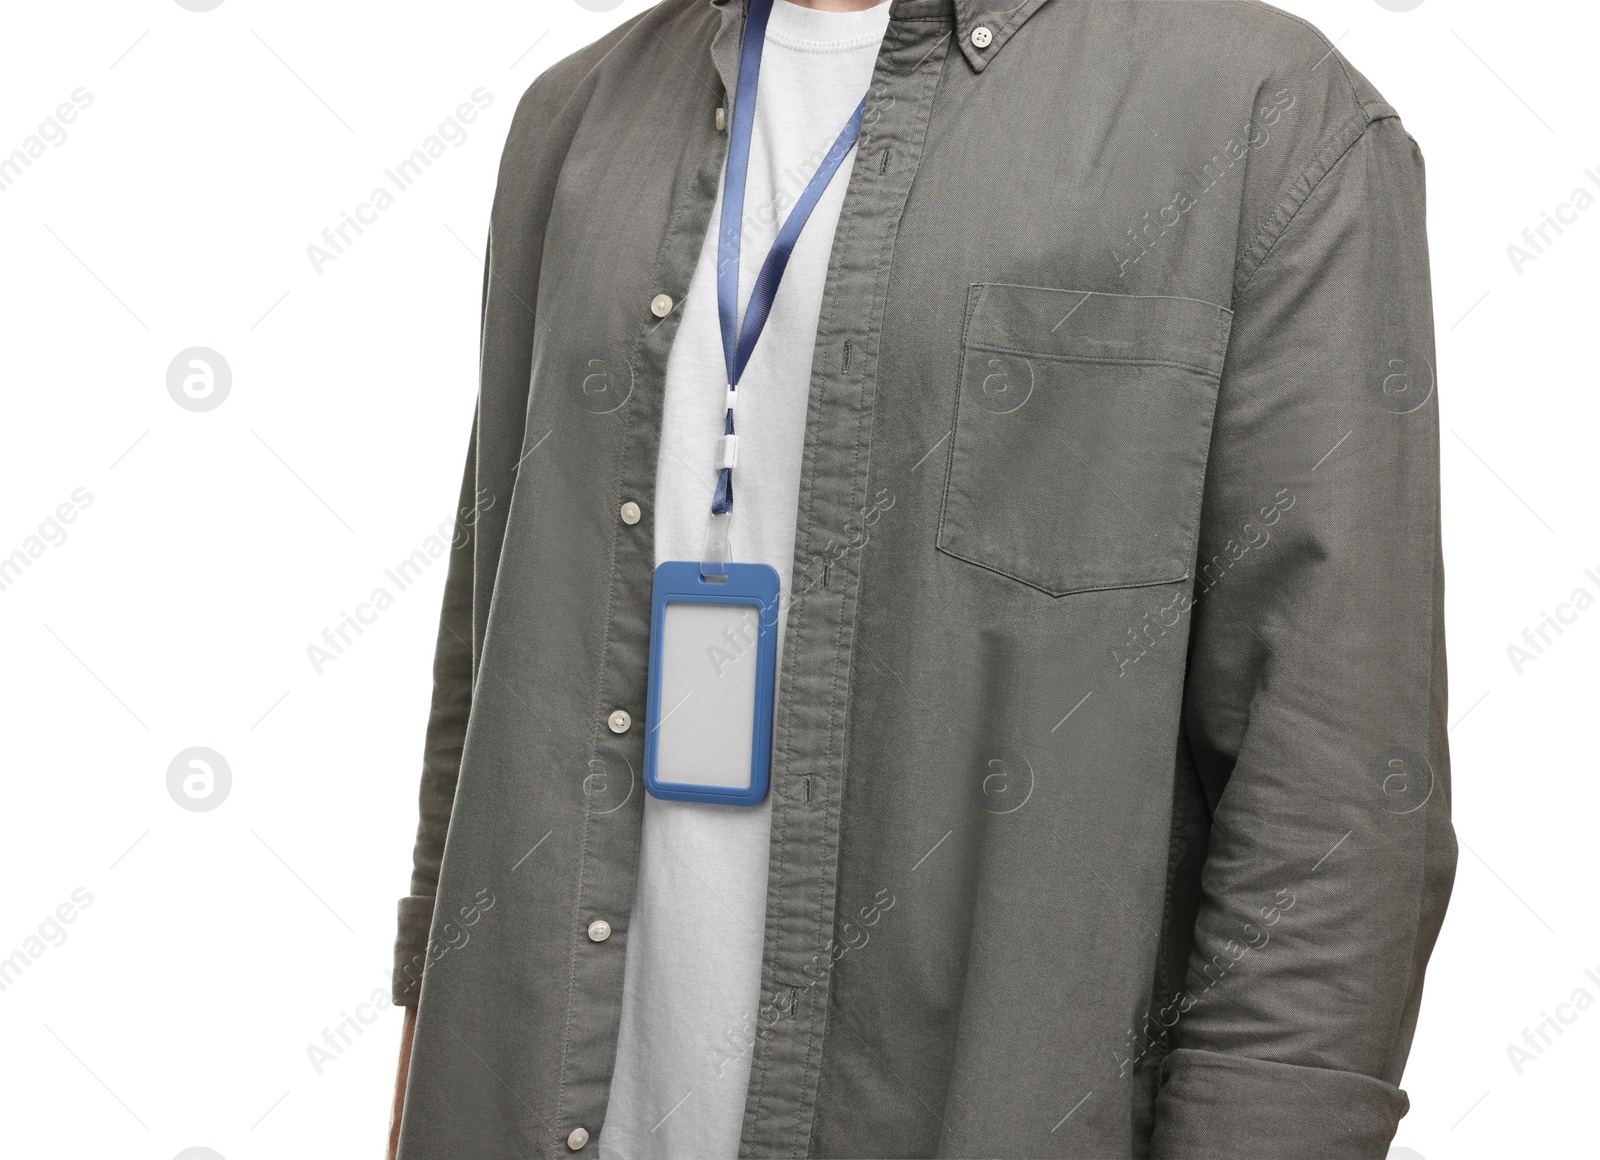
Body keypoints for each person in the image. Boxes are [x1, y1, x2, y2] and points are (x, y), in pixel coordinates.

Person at [387, 0, 1455, 1156]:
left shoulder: (1265, 115)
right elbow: (488, 641)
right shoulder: (577, 116)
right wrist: (417, 1068)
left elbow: (1334, 776)